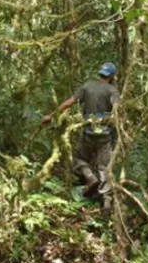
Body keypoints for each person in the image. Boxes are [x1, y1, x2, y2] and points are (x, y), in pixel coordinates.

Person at [41, 62, 119, 210]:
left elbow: (70, 102)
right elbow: (117, 109)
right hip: (105, 136)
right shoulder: (113, 90)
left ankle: (90, 177)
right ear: (112, 76)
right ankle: (107, 201)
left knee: (79, 159)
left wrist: (51, 116)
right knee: (104, 167)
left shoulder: (87, 86)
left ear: (100, 73)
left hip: (88, 133)